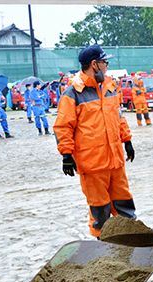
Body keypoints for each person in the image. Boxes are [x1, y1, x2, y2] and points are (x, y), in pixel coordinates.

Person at [53, 45, 137, 238]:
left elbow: (118, 116)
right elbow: (63, 126)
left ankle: (131, 241)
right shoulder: (73, 93)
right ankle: (104, 247)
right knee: (100, 209)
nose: (106, 67)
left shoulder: (108, 88)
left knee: (124, 203)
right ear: (94, 64)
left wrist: (127, 140)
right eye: (104, 63)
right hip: (92, 164)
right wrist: (66, 154)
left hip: (115, 160)